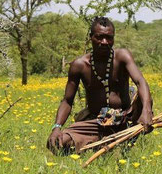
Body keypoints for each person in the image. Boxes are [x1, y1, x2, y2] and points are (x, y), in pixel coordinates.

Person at [47, 16, 153, 154]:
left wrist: (146, 110)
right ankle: (100, 141)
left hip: (126, 118)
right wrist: (56, 127)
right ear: (91, 37)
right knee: (57, 142)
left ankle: (129, 135)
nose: (104, 42)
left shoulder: (122, 56)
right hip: (96, 122)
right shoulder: (79, 65)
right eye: (99, 37)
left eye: (109, 38)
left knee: (144, 98)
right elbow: (67, 100)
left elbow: (140, 81)